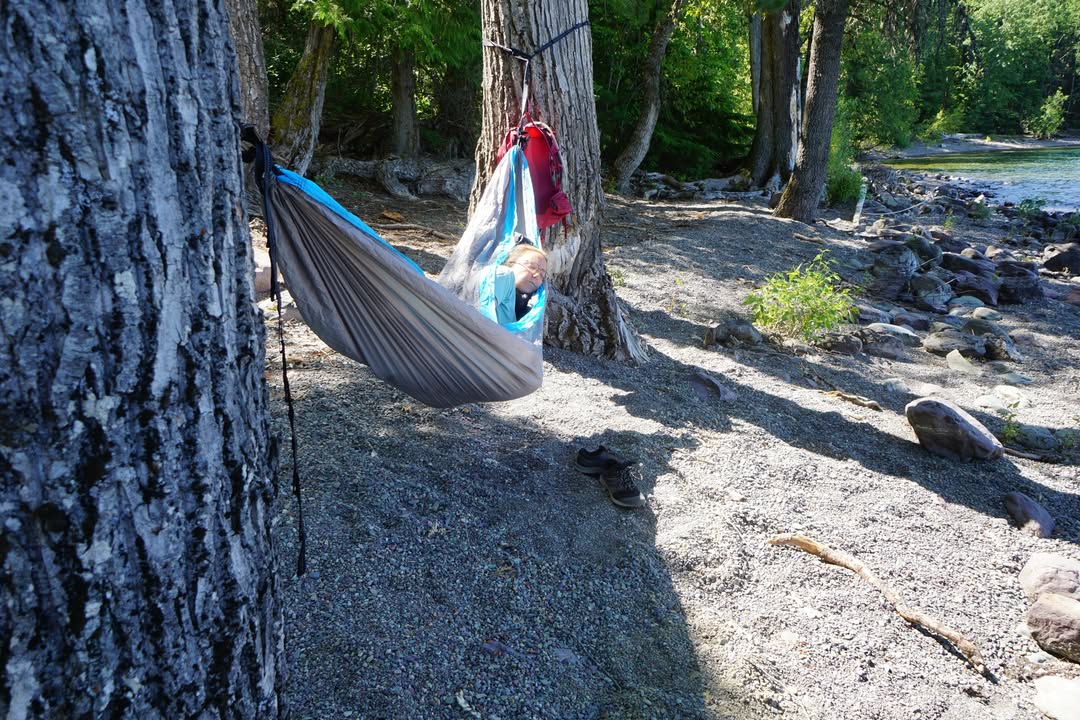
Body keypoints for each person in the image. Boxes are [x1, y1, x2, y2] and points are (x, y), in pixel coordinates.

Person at [494, 242, 547, 325]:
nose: (536, 275)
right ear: (511, 263)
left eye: (542, 275)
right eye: (532, 267)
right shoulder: (505, 275)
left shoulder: (519, 304)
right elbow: (479, 314)